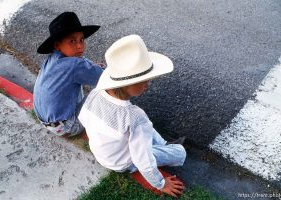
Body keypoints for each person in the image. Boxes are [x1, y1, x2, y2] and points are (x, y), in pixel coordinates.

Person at [78, 35, 186, 197]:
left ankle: (163, 143)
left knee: (144, 127)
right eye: (144, 80)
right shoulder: (133, 116)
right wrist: (161, 184)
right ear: (127, 83)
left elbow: (83, 119)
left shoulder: (95, 93)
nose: (147, 85)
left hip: (104, 155)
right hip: (124, 163)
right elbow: (144, 161)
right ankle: (168, 146)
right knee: (179, 152)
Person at [33, 12, 103, 139]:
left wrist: (90, 67)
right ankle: (103, 133)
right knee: (106, 92)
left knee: (76, 77)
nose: (80, 45)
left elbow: (79, 64)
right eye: (72, 41)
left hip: (46, 121)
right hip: (67, 126)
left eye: (81, 40)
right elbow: (105, 78)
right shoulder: (74, 65)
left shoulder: (52, 59)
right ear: (57, 45)